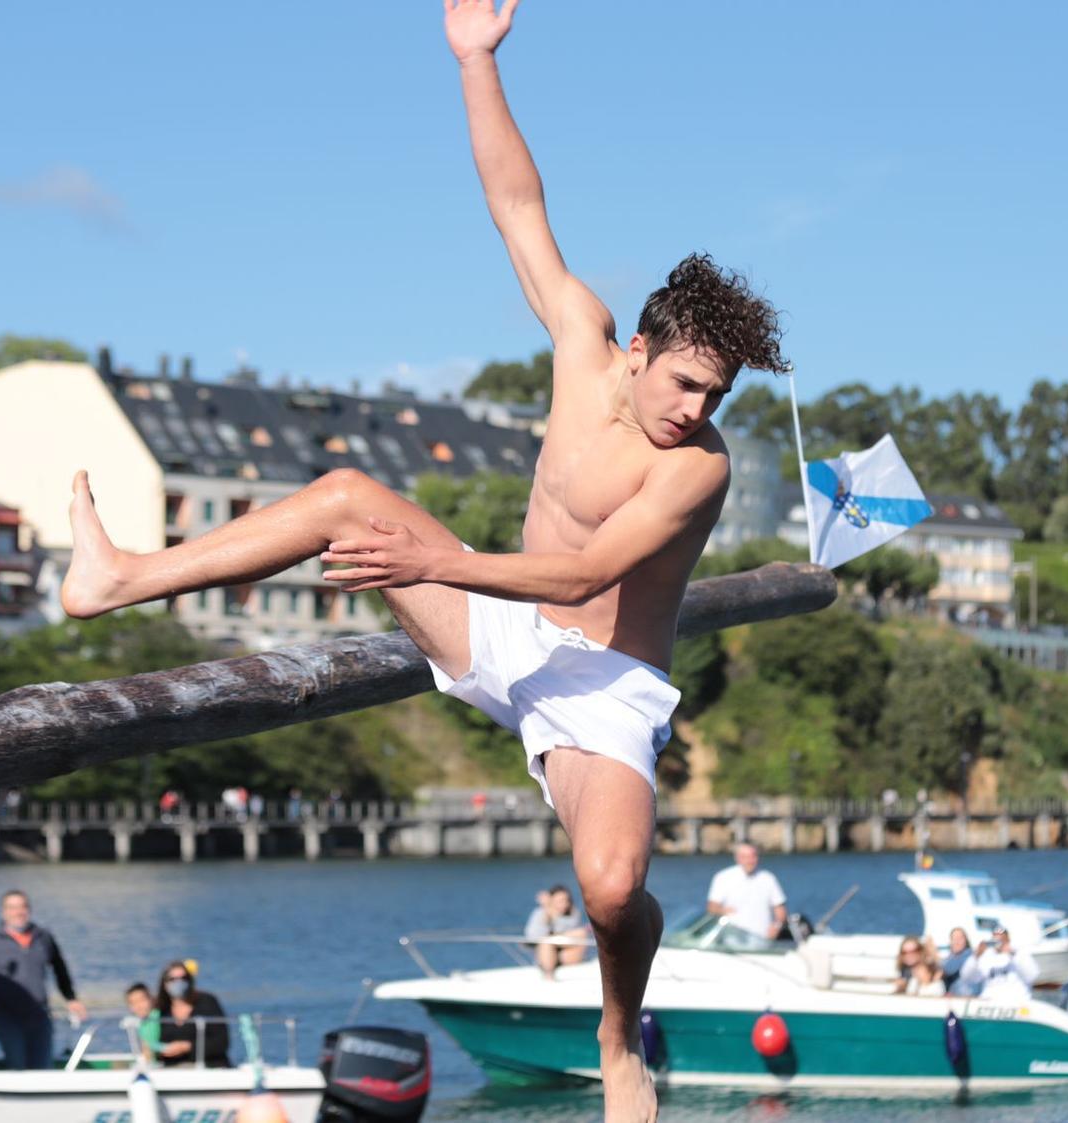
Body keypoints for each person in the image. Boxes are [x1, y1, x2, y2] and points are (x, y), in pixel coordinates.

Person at [57, 4, 789, 1117]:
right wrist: (476, 60)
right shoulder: (578, 338)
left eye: (714, 397)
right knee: (345, 493)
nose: (694, 411)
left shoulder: (696, 471)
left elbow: (587, 581)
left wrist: (438, 558)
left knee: (610, 888)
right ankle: (120, 576)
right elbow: (515, 203)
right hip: (496, 624)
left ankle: (615, 1030)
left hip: (599, 687)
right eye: (683, 384)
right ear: (634, 350)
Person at [0, 890, 87, 1070]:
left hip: (39, 1014)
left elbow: (59, 968)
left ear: (29, 910)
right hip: (5, 1015)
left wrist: (71, 998)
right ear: (3, 912)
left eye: (23, 907)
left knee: (43, 1066)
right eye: (12, 907)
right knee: (17, 1062)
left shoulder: (43, 937)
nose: (18, 912)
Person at [155, 961, 231, 1068]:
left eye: (183, 978)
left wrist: (187, 1047)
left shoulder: (207, 1002)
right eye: (172, 979)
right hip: (172, 1069)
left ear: (190, 980)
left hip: (210, 1066)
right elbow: (151, 1042)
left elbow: (222, 1042)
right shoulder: (160, 1010)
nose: (178, 982)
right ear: (164, 983)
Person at [706, 844, 789, 942]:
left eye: (753, 856)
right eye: (745, 857)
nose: (750, 861)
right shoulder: (723, 877)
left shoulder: (768, 878)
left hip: (762, 940)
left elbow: (780, 910)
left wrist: (777, 926)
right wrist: (723, 910)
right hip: (732, 940)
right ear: (737, 858)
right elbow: (711, 907)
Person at [525, 884, 591, 980]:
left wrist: (552, 915)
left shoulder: (573, 913)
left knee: (581, 933)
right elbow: (533, 936)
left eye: (566, 900)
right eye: (560, 901)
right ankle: (549, 977)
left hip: (566, 954)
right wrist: (547, 912)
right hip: (546, 952)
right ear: (551, 901)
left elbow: (570, 929)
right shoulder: (540, 913)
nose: (564, 904)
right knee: (546, 943)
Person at [958, 928, 1039, 1003]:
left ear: (1008, 940)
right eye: (995, 939)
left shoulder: (1019, 954)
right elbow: (967, 978)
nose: (998, 942)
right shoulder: (985, 957)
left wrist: (1013, 954)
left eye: (1002, 940)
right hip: (990, 1003)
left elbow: (1032, 976)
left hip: (1016, 1002)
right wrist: (976, 956)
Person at [125, 983, 163, 1062]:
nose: (138, 1006)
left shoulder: (156, 1017)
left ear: (151, 999)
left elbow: (151, 1044)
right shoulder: (141, 1021)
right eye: (133, 1003)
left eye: (141, 1000)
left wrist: (167, 1048)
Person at [941, 928, 979, 996]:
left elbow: (948, 969)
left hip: (964, 997)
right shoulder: (950, 957)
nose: (956, 941)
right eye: (953, 938)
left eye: (960, 938)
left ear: (966, 941)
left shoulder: (968, 954)